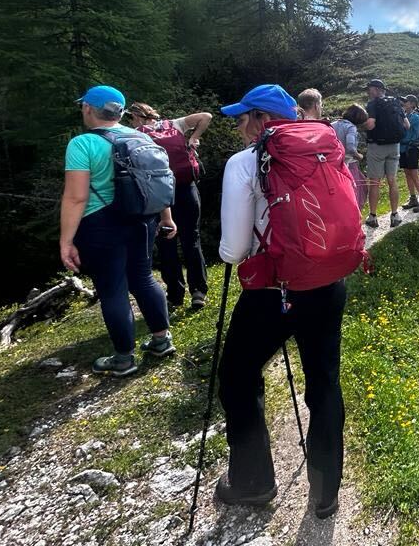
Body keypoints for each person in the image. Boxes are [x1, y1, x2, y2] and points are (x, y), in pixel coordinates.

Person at [216, 84, 346, 518]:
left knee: (237, 374)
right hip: (327, 283)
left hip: (272, 292)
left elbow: (234, 251)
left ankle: (253, 482)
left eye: (242, 117)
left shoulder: (243, 163)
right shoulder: (326, 150)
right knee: (324, 381)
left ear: (261, 120)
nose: (238, 127)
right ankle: (326, 492)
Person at [59, 85, 178, 377]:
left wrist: (66, 241)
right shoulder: (141, 136)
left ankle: (124, 358)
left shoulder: (82, 144)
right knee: (143, 277)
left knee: (113, 288)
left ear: (88, 108)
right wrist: (167, 218)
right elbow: (158, 181)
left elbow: (76, 197)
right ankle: (161, 341)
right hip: (142, 219)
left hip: (100, 224)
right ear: (121, 112)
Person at [126, 102, 212, 310]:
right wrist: (193, 137)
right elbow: (206, 116)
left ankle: (175, 295)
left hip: (157, 192)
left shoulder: (134, 134)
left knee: (166, 241)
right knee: (192, 238)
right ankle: (198, 291)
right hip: (186, 187)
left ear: (135, 117)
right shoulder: (173, 124)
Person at [363, 79, 408, 229]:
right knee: (392, 180)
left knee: (375, 182)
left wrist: (360, 125)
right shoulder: (396, 103)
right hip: (394, 146)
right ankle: (395, 215)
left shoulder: (373, 103)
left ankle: (373, 216)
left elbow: (370, 124)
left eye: (369, 89)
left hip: (377, 147)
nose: (368, 92)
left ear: (376, 89)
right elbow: (406, 125)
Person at [331, 104, 368, 212]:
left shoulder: (333, 124)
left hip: (333, 164)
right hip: (347, 164)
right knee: (356, 190)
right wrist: (359, 156)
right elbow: (351, 148)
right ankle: (354, 214)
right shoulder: (351, 127)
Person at [400, 95, 419, 213]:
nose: (404, 103)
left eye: (406, 102)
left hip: (411, 148)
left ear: (412, 104)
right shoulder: (406, 115)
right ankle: (413, 198)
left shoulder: (415, 117)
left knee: (414, 174)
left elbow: (412, 132)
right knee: (407, 173)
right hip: (403, 148)